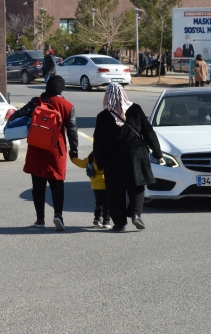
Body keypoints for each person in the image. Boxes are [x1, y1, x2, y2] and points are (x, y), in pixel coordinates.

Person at [93, 83, 163, 231]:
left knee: (115, 191)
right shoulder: (136, 109)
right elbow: (148, 132)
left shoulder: (103, 116)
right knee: (137, 186)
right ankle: (136, 215)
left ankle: (119, 223)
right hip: (136, 155)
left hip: (113, 158)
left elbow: (98, 142)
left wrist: (99, 162)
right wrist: (158, 153)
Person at [13, 75, 78, 231]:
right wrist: (73, 150)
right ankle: (58, 215)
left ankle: (40, 219)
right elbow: (73, 130)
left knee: (38, 186)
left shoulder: (36, 102)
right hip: (56, 150)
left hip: (37, 149)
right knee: (57, 185)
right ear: (61, 88)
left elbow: (19, 114)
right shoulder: (68, 106)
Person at [70, 152, 110, 229]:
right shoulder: (107, 156)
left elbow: (81, 163)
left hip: (95, 185)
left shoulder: (91, 157)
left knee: (98, 202)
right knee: (107, 204)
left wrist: (73, 158)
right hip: (106, 184)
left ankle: (97, 218)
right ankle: (106, 221)